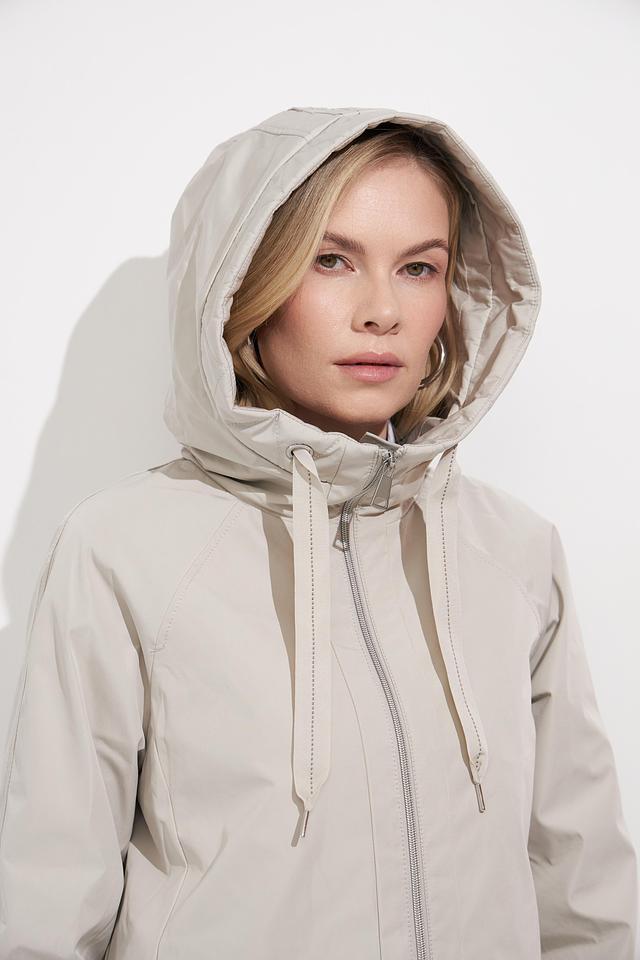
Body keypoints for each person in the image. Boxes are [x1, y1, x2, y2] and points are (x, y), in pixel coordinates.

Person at [0, 105, 637, 960]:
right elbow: (45, 910)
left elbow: (585, 893)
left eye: (419, 267)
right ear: (243, 283)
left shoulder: (515, 551)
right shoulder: (122, 552)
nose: (383, 311)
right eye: (331, 259)